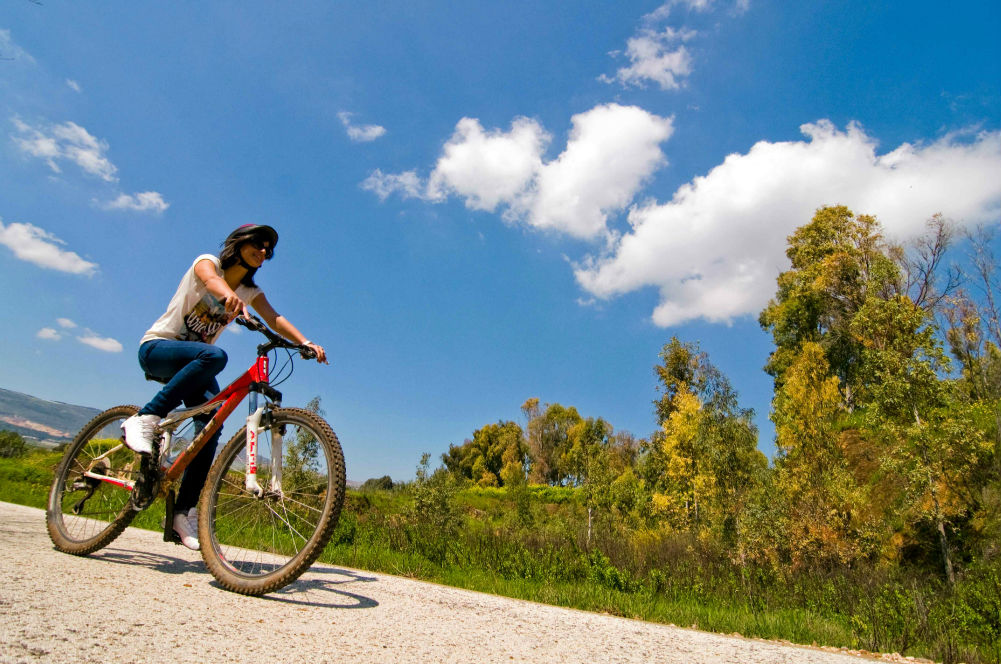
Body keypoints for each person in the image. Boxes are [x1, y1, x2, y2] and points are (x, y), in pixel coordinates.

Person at [120, 224, 327, 550]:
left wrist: (305, 342)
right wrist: (228, 296)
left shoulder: (250, 294)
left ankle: (182, 512)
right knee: (216, 355)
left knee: (212, 426)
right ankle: (145, 418)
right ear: (240, 243)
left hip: (194, 365)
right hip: (158, 349)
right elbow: (210, 279)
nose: (263, 252)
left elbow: (275, 318)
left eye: (267, 250)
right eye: (258, 244)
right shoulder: (208, 263)